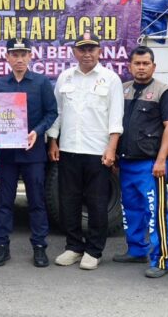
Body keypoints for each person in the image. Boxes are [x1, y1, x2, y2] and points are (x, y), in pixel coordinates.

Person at [46, 31, 124, 271]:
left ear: (99, 52)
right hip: (68, 149)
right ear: (75, 52)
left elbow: (115, 116)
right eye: (82, 49)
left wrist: (111, 148)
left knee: (97, 203)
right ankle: (73, 247)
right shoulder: (65, 78)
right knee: (68, 202)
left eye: (92, 49)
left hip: (97, 153)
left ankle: (94, 250)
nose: (87, 53)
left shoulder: (110, 79)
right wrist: (53, 141)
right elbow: (57, 112)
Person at [0, 38, 58, 268]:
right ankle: (1, 246)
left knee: (37, 201)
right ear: (7, 57)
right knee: (4, 202)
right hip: (7, 154)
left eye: (23, 54)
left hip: (33, 153)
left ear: (30, 56)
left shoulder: (41, 83)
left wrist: (37, 132)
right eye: (14, 54)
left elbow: (51, 113)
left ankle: (39, 247)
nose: (19, 59)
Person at [112, 46, 168, 278]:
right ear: (129, 66)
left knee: (156, 212)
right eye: (137, 63)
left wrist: (162, 160)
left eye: (146, 63)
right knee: (131, 210)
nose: (141, 67)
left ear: (153, 66)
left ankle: (161, 259)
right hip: (126, 163)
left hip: (150, 165)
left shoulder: (164, 92)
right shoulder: (122, 90)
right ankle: (136, 250)